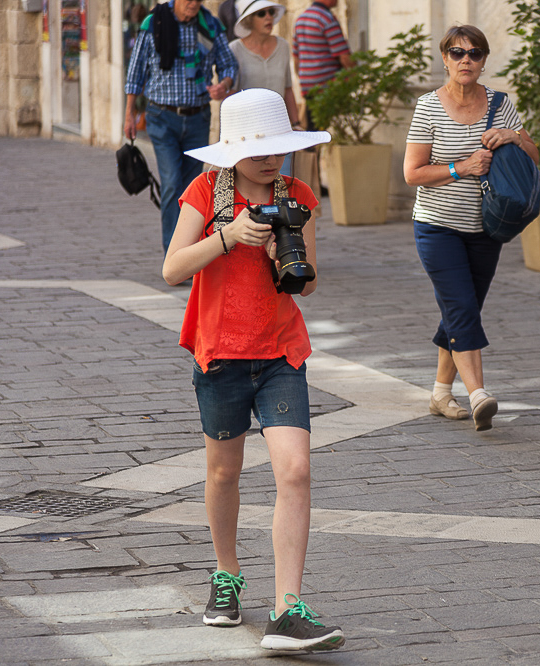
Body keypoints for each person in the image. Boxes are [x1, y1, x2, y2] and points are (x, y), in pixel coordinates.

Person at [162, 88, 343, 652]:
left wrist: (282, 259)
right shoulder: (205, 192)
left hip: (281, 354)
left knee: (295, 471)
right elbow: (171, 269)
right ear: (233, 148)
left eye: (279, 147)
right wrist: (228, 236)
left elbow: (308, 283)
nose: (272, 159)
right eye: (260, 148)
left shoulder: (299, 194)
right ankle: (226, 574)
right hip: (219, 354)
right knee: (223, 474)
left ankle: (287, 609)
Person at [403, 25, 539, 432]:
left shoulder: (501, 103)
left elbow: (533, 154)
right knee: (461, 305)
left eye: (475, 53)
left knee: (461, 309)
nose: (466, 60)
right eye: (458, 52)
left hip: (486, 227)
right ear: (445, 58)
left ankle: (441, 393)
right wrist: (460, 168)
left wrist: (513, 135)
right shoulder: (428, 107)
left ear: (483, 60)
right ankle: (478, 393)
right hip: (436, 227)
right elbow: (412, 173)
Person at [124, 0, 238, 255]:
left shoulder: (210, 24)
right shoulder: (153, 23)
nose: (194, 4)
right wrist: (129, 113)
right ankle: (174, 256)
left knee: (193, 188)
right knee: (173, 182)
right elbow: (136, 71)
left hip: (198, 118)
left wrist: (225, 83)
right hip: (162, 117)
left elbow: (229, 64)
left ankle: (191, 252)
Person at [228, 0, 310, 186]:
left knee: (283, 184)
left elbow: (288, 88)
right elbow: (231, 95)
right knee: (252, 186)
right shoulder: (235, 49)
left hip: (279, 128)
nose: (268, 17)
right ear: (249, 20)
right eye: (261, 13)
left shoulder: (282, 46)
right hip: (248, 133)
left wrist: (295, 123)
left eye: (271, 12)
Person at [291, 0, 351, 131]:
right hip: (327, 85)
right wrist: (355, 76)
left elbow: (296, 57)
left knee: (313, 129)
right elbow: (344, 56)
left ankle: (313, 150)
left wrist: (303, 78)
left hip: (308, 84)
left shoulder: (301, 19)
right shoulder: (326, 18)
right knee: (328, 130)